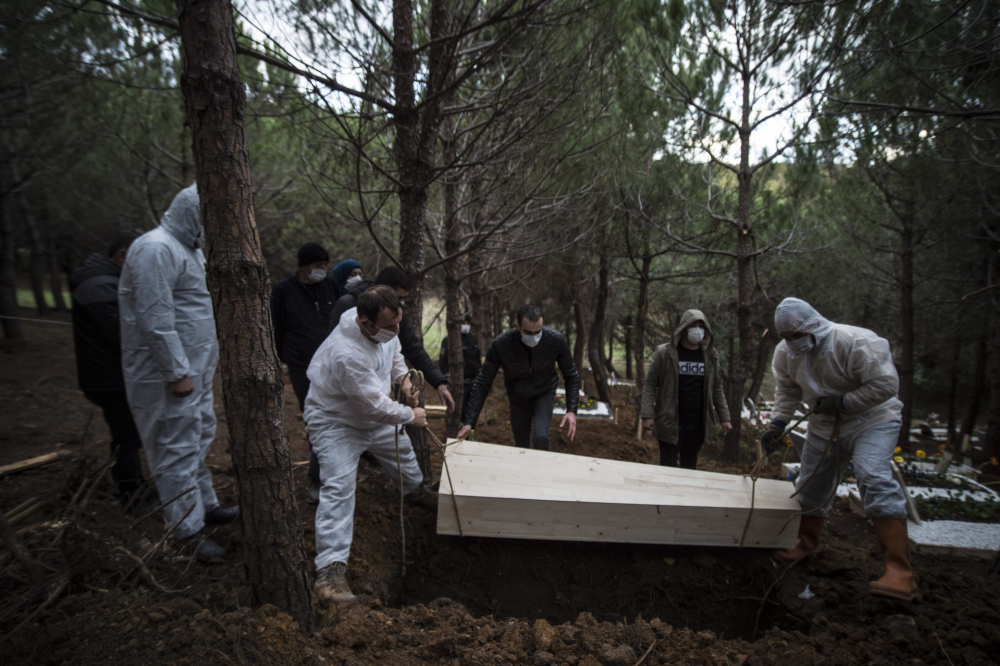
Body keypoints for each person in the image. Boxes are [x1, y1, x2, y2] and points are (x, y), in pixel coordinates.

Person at [760, 297, 918, 602]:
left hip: (871, 419)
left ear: (812, 326)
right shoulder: (785, 353)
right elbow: (788, 389)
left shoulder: (855, 342)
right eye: (785, 337)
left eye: (796, 335)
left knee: (872, 474)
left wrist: (845, 403)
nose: (791, 342)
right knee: (810, 483)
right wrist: (777, 424)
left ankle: (900, 572)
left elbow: (886, 385)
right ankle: (806, 542)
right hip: (823, 422)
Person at [119, 184, 238, 559]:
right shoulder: (156, 249)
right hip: (168, 379)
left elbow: (197, 311)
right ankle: (187, 530)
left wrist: (211, 357)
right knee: (175, 449)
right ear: (194, 214)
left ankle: (206, 505)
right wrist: (176, 372)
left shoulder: (191, 251)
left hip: (196, 371)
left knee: (199, 437)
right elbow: (155, 318)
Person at [306, 286, 433, 603]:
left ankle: (415, 491)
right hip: (336, 420)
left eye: (398, 321)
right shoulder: (347, 352)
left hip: (373, 413)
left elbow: (395, 354)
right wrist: (409, 414)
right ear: (366, 324)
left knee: (401, 452)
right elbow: (372, 406)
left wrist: (404, 379)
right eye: (390, 325)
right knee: (339, 484)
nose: (397, 329)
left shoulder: (384, 328)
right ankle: (330, 571)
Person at [71, 230, 157, 513]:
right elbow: (121, 333)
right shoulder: (99, 285)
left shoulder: (105, 280)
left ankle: (137, 486)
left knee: (130, 432)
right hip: (109, 378)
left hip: (115, 373)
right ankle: (131, 493)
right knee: (127, 435)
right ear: (123, 256)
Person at [270, 242, 342, 503]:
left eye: (325, 265)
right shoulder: (282, 291)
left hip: (333, 364)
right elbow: (275, 328)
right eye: (317, 265)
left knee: (337, 414)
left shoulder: (331, 286)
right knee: (316, 418)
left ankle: (335, 468)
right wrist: (279, 360)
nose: (322, 270)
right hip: (302, 367)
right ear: (303, 266)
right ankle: (316, 479)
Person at [328, 266, 455, 412]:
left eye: (402, 299)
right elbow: (338, 354)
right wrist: (409, 416)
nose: (400, 303)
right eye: (398, 297)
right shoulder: (347, 305)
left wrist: (437, 382)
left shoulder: (394, 312)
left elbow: (408, 348)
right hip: (344, 400)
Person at [457, 304, 580, 449]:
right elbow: (483, 383)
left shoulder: (555, 340)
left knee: (541, 437)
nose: (534, 337)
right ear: (517, 326)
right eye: (528, 332)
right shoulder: (501, 345)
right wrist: (469, 422)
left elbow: (571, 375)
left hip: (543, 392)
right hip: (517, 395)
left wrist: (571, 410)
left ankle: (541, 470)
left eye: (538, 332)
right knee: (521, 444)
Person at [640, 310, 732, 469]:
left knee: (689, 465)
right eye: (693, 325)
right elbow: (649, 384)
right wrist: (647, 414)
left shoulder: (710, 356)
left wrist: (725, 417)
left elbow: (716, 387)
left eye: (701, 326)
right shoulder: (665, 353)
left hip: (698, 424)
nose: (697, 329)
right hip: (670, 421)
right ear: (683, 328)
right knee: (667, 466)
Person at [438, 314, 481, 423]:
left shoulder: (472, 339)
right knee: (456, 411)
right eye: (463, 323)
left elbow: (477, 358)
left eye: (467, 323)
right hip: (456, 383)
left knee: (470, 411)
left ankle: (468, 433)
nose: (466, 326)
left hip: (471, 382)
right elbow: (443, 361)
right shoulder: (449, 340)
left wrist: (479, 373)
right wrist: (447, 376)